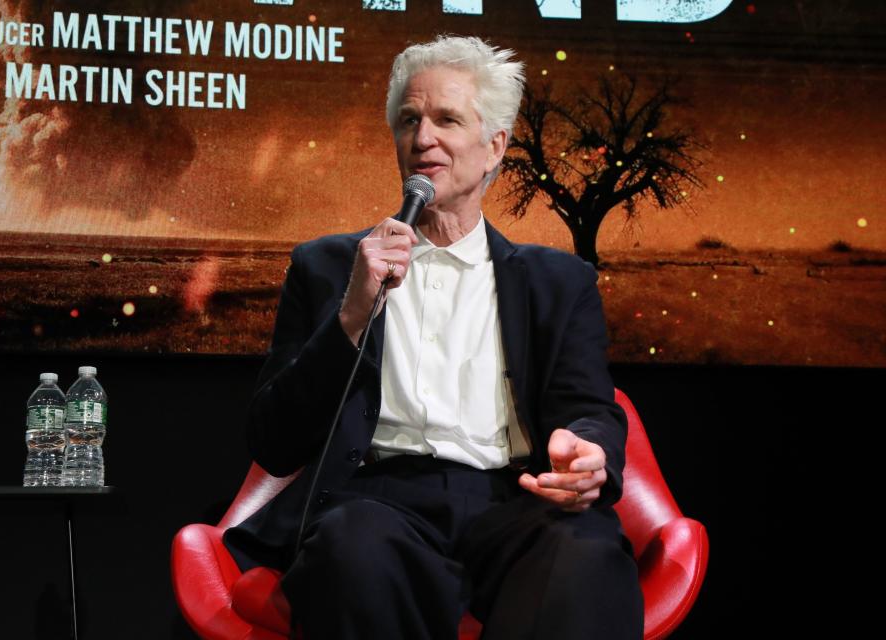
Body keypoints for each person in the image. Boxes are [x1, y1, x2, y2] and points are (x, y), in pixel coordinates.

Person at [224, 35, 644, 639]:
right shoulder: (326, 267)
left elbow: (588, 410)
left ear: (494, 145)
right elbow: (274, 442)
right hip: (377, 498)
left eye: (447, 119)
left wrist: (587, 450)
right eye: (409, 120)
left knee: (585, 555)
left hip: (515, 500)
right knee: (352, 552)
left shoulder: (559, 282)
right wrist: (352, 313)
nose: (423, 140)